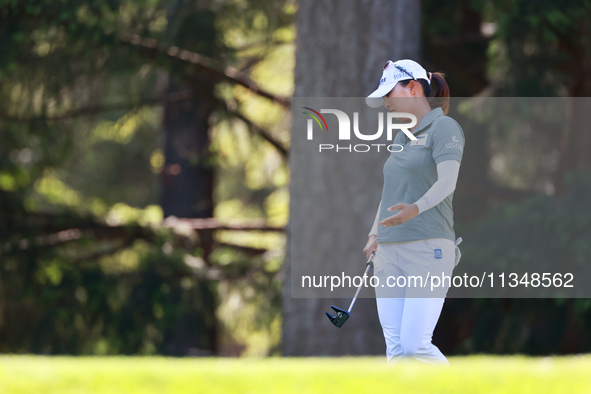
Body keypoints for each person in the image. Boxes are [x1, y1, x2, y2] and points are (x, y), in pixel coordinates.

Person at [363, 59, 465, 365]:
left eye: (389, 92)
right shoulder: (401, 137)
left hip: (429, 247)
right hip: (388, 250)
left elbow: (448, 181)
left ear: (412, 87)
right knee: (395, 351)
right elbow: (390, 191)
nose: (385, 101)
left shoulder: (445, 127)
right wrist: (374, 234)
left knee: (413, 346)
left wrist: (415, 209)